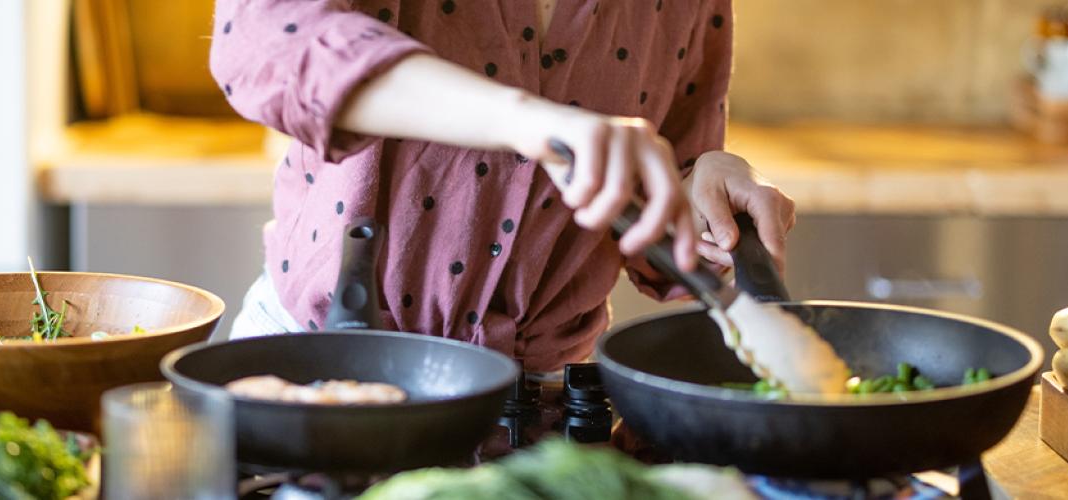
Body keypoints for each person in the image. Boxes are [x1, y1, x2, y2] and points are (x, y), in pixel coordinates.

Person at [214, 0, 795, 377]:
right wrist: (527, 120)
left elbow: (655, 180)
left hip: (541, 404)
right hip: (320, 376)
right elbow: (267, 40)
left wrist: (703, 188)